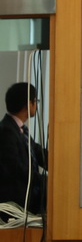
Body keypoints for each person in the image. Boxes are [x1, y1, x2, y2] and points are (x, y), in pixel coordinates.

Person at [0, 82, 48, 216]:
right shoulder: (6, 131)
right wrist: (43, 180)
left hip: (28, 204)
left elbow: (39, 153)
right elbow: (15, 168)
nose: (36, 105)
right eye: (35, 101)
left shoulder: (20, 130)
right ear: (28, 104)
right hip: (15, 206)